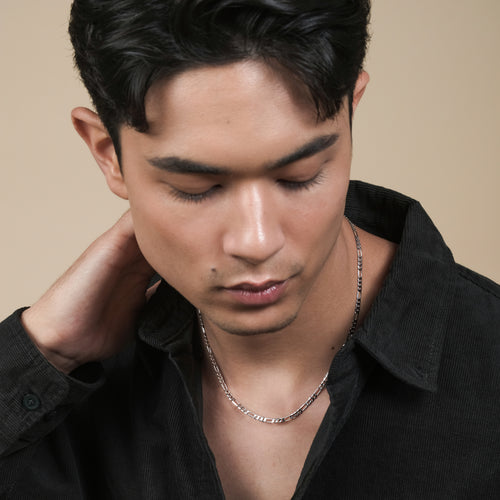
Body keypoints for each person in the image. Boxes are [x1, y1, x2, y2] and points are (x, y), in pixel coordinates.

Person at [0, 0, 499, 498]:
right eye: (196, 188)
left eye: (299, 176)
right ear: (108, 155)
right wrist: (41, 350)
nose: (257, 242)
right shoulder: (63, 388)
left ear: (351, 111)